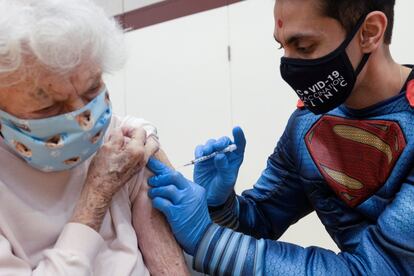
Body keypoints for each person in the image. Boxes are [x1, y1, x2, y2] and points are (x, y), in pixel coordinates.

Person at [146, 0, 414, 275]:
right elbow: (258, 221)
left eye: (304, 46)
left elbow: (381, 269)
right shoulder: (308, 124)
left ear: (369, 32)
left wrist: (207, 239)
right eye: (282, 47)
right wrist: (221, 205)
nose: (288, 66)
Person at [0, 0, 190, 275]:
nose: (83, 119)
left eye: (91, 91)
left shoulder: (119, 143)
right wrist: (97, 192)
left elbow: (169, 265)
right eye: (49, 109)